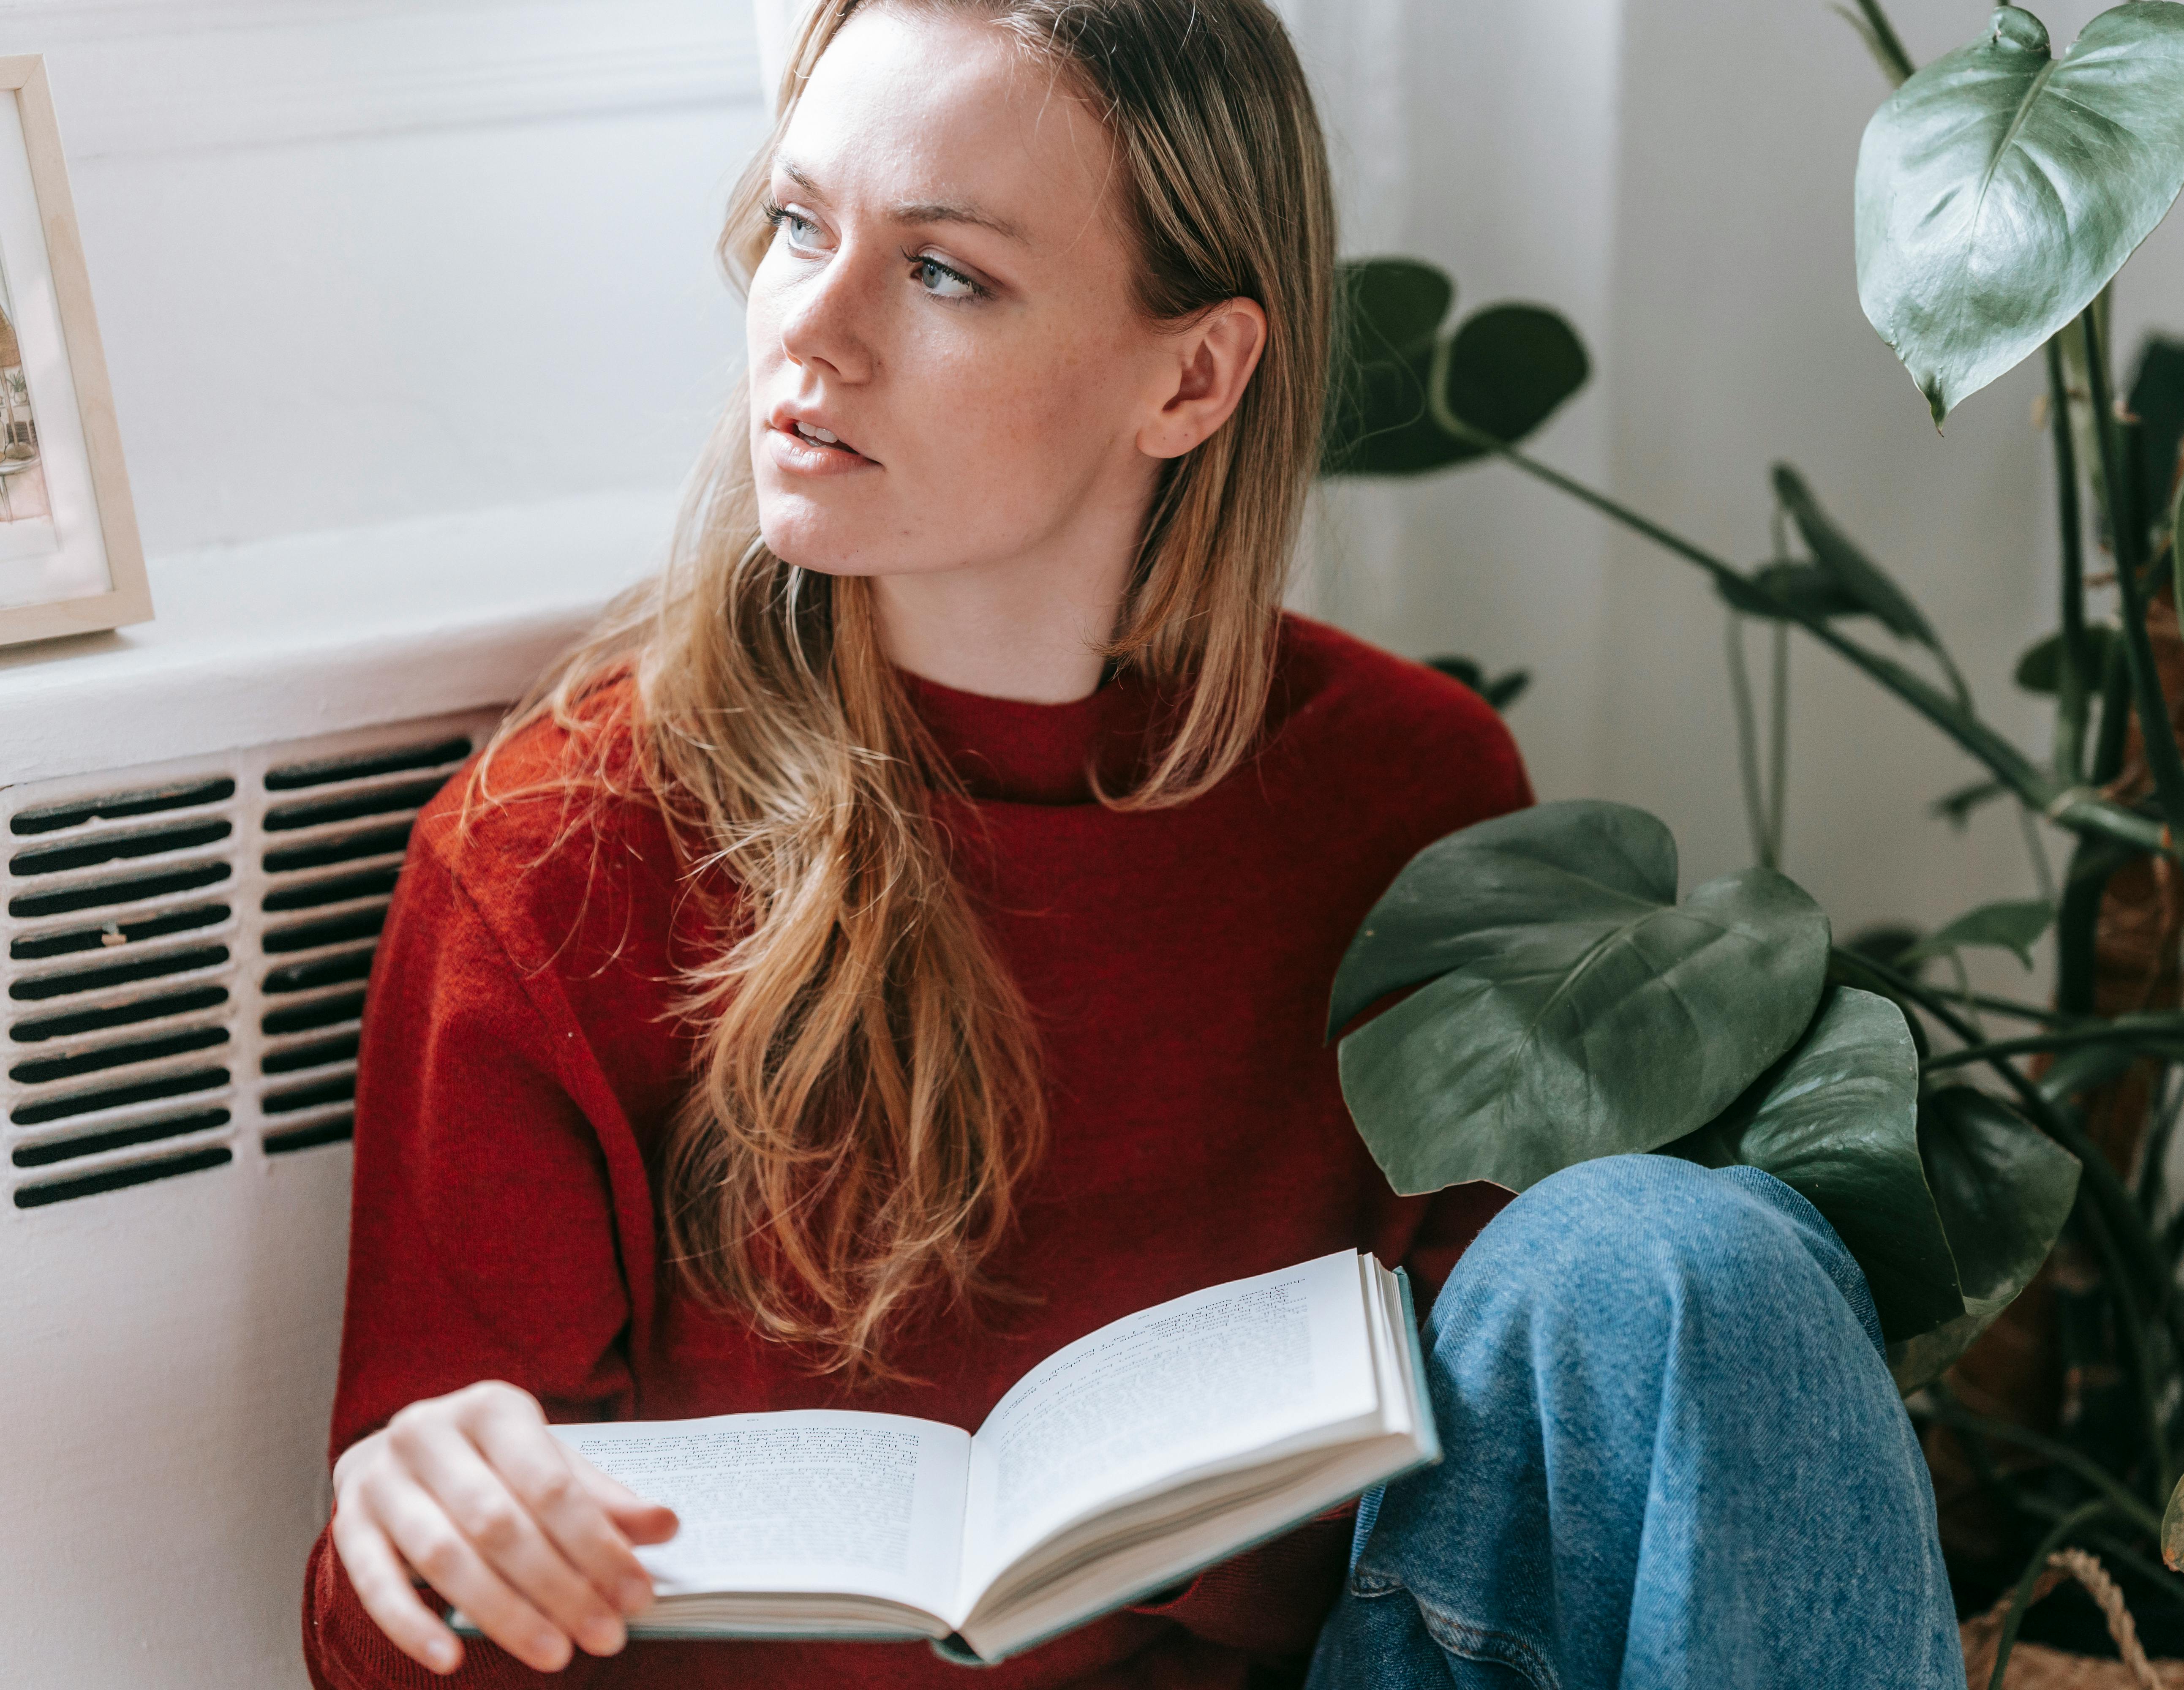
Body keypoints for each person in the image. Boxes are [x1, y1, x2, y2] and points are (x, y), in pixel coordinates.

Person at [302, 2, 1963, 1687]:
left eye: (944, 271)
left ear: (1193, 375)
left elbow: (1526, 1463)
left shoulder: (1405, 790)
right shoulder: (558, 856)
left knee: (1695, 1259)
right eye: (800, 224)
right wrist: (418, 1527)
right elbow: (396, 1638)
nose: (814, 323)